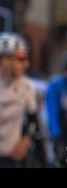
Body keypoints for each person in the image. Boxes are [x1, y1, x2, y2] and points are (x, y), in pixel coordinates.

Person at [0, 32, 39, 168]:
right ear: (4, 59)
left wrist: (25, 142)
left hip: (11, 158)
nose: (26, 64)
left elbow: (34, 121)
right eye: (21, 58)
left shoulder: (27, 86)